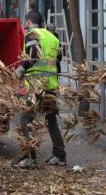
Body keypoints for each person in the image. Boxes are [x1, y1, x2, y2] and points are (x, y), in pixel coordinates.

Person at [13, 11, 66, 168]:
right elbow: (58, 60)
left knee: (25, 119)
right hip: (50, 86)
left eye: (25, 22)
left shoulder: (32, 34)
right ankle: (60, 155)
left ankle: (29, 157)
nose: (25, 25)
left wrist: (21, 69)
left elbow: (33, 55)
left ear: (29, 22)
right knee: (51, 120)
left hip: (36, 87)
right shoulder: (53, 37)